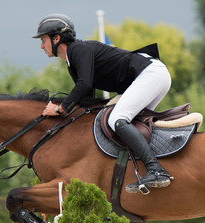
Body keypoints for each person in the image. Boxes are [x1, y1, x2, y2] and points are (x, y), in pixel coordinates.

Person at [33, 13, 172, 193]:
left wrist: (60, 108)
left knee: (117, 119)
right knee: (127, 124)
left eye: (43, 40)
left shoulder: (78, 50)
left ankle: (156, 170)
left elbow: (85, 84)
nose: (41, 46)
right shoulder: (71, 62)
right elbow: (87, 99)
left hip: (150, 74)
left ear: (57, 38)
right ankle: (142, 169)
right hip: (153, 75)